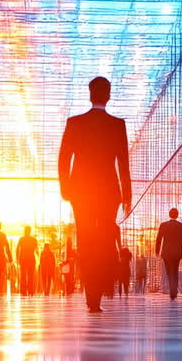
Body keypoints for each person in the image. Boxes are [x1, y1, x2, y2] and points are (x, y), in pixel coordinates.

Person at [58, 76, 132, 313]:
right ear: (108, 96)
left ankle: (91, 293)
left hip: (81, 192)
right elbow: (123, 163)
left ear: (90, 95)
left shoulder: (75, 123)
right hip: (109, 192)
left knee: (86, 239)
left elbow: (63, 158)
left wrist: (66, 188)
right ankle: (98, 291)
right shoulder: (117, 125)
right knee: (103, 240)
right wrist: (127, 195)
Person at [155, 207, 182, 300]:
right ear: (177, 215)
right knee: (175, 270)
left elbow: (159, 239)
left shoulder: (163, 225)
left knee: (169, 271)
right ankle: (174, 290)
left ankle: (172, 289)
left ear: (169, 215)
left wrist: (157, 251)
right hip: (177, 252)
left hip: (166, 252)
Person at [17, 226, 38, 296]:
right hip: (31, 259)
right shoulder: (33, 239)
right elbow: (36, 250)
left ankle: (23, 291)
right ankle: (30, 290)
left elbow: (17, 249)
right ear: (30, 231)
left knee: (23, 275)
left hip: (23, 259)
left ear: (25, 230)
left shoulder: (21, 239)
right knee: (31, 275)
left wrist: (17, 258)